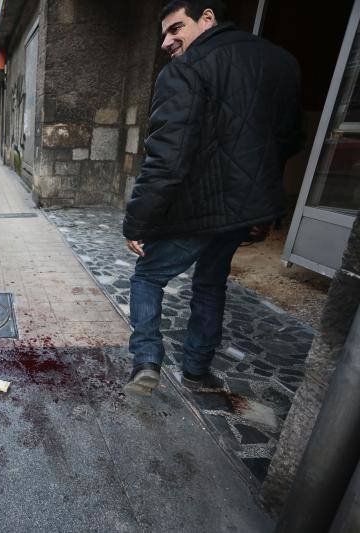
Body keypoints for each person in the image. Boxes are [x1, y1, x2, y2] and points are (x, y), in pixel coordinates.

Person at [122, 0, 303, 396]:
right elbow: (288, 141)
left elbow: (166, 157)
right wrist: (262, 205)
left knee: (148, 275)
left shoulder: (185, 70)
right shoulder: (283, 64)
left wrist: (138, 221)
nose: (167, 42)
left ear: (207, 17)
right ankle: (197, 370)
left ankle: (146, 362)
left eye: (175, 29)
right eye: (164, 34)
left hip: (195, 208)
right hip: (242, 211)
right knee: (210, 283)